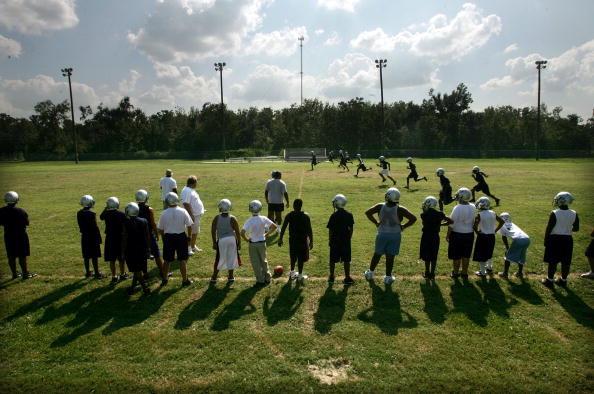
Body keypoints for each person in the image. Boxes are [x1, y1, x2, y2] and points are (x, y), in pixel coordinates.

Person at [364, 187, 417, 284]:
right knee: (390, 256)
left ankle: (370, 273)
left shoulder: (380, 206)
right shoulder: (400, 209)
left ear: (387, 196)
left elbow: (367, 213)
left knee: (377, 254)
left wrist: (376, 222)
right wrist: (404, 226)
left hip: (381, 234)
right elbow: (413, 218)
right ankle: (388, 277)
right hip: (395, 236)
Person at [542, 192, 579, 288]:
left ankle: (549, 280)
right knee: (566, 261)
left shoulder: (554, 213)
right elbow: (576, 228)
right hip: (567, 239)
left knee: (553, 261)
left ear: (562, 200)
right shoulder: (574, 213)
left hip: (555, 239)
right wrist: (566, 228)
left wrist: (546, 240)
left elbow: (549, 228)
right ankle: (563, 280)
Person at [157, 192, 193, 287]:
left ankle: (164, 279)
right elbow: (189, 225)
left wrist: (164, 237)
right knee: (182, 260)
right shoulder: (183, 211)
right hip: (181, 236)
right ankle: (185, 280)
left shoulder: (164, 213)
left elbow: (160, 229)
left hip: (169, 237)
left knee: (167, 260)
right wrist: (189, 236)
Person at [0, 191, 36, 280]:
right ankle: (25, 274)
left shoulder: (1, 211)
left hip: (8, 235)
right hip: (21, 235)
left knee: (11, 255)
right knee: (22, 255)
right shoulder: (21, 211)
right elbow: (27, 223)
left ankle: (14, 274)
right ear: (16, 200)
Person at [241, 200, 277, 286]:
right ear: (260, 208)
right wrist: (266, 234)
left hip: (253, 244)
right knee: (264, 261)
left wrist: (247, 240)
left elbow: (242, 233)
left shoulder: (249, 221)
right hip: (262, 243)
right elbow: (274, 226)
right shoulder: (263, 218)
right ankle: (268, 278)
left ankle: (260, 280)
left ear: (250, 209)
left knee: (255, 262)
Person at [278, 198, 313, 282]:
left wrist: (280, 238)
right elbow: (309, 230)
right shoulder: (305, 216)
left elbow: (283, 227)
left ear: (293, 206)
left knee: (293, 256)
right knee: (301, 258)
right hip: (302, 240)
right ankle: (300, 276)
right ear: (301, 206)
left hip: (292, 240)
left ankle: (292, 273)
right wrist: (311, 241)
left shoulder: (289, 215)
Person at [419, 196, 453, 280]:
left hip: (426, 236)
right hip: (435, 236)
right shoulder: (440, 214)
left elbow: (424, 224)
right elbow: (450, 221)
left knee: (426, 255)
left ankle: (427, 272)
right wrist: (441, 224)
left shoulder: (423, 214)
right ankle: (432, 273)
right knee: (434, 254)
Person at [122, 202, 151, 296]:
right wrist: (148, 248)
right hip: (142, 248)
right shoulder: (144, 221)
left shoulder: (125, 223)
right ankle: (132, 288)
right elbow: (147, 236)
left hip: (131, 250)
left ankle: (145, 289)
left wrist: (122, 251)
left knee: (137, 270)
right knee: (137, 270)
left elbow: (125, 238)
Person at [135, 189, 165, 280]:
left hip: (139, 235)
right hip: (149, 235)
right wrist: (156, 233)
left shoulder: (134, 208)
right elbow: (153, 223)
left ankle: (145, 273)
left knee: (142, 255)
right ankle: (162, 271)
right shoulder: (149, 209)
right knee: (156, 253)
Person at [446, 187, 476, 279]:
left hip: (457, 234)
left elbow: (451, 223)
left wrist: (448, 235)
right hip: (469, 234)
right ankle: (464, 273)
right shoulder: (473, 206)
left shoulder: (457, 208)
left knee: (456, 256)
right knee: (466, 255)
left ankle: (455, 273)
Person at [211, 199, 241, 283]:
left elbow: (213, 231)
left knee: (219, 258)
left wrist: (214, 242)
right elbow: (238, 232)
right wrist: (239, 243)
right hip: (232, 240)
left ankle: (214, 277)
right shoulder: (233, 218)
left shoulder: (216, 218)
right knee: (231, 257)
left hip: (221, 241)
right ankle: (231, 276)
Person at [472, 197, 504, 277]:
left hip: (483, 236)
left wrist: (477, 233)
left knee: (481, 254)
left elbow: (474, 227)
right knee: (489, 252)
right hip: (491, 236)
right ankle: (489, 267)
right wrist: (495, 230)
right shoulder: (493, 212)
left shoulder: (479, 215)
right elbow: (501, 221)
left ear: (481, 205)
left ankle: (482, 272)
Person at [327, 194, 355, 285]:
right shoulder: (349, 215)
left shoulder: (333, 216)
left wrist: (330, 240)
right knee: (346, 259)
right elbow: (351, 228)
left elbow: (330, 230)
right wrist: (348, 239)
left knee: (332, 259)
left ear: (337, 203)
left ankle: (331, 276)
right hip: (345, 240)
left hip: (335, 240)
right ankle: (347, 277)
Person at [100, 197, 128, 284]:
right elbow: (126, 222)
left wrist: (106, 208)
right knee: (121, 258)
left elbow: (101, 217)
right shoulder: (121, 213)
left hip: (110, 238)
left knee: (112, 259)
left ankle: (114, 276)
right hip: (119, 238)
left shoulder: (106, 214)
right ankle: (123, 274)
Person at [77, 195, 106, 279]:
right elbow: (95, 227)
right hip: (92, 237)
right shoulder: (92, 214)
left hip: (84, 236)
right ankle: (97, 273)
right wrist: (99, 238)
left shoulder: (79, 213)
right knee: (94, 255)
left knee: (86, 255)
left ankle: (87, 272)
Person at [497, 212, 531, 279]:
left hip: (518, 240)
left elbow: (504, 237)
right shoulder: (512, 224)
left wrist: (507, 248)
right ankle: (520, 273)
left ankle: (505, 274)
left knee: (508, 257)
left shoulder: (502, 225)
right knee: (522, 256)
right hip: (527, 239)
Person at [181, 175, 205, 256]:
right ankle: (188, 248)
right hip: (192, 215)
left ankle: (193, 245)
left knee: (195, 232)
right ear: (193, 183)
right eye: (196, 182)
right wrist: (191, 215)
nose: (197, 184)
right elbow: (186, 204)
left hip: (196, 214)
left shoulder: (190, 189)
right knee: (190, 232)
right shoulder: (187, 191)